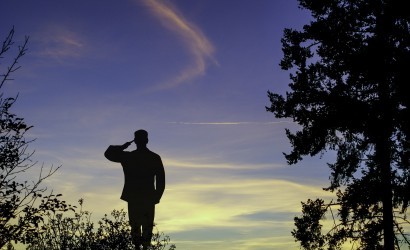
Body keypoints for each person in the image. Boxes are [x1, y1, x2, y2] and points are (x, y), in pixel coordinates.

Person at [104, 129, 165, 249]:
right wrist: (156, 197)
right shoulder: (153, 157)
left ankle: (138, 246)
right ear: (146, 140)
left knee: (136, 225)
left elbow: (109, 153)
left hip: (136, 197)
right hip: (147, 197)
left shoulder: (129, 156)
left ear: (135, 141)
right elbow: (161, 180)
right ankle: (143, 247)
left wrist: (121, 147)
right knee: (145, 226)